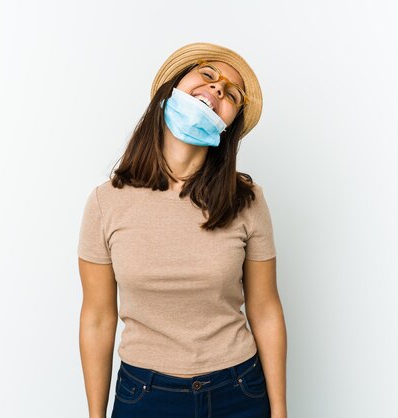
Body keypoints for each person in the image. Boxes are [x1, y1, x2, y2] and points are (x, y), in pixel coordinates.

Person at [77, 42, 287, 418]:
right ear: (170, 90)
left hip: (239, 390)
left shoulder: (247, 200)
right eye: (208, 75)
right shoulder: (104, 203)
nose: (219, 89)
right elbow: (97, 317)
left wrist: (280, 411)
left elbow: (265, 307)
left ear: (228, 125)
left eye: (232, 94)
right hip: (145, 395)